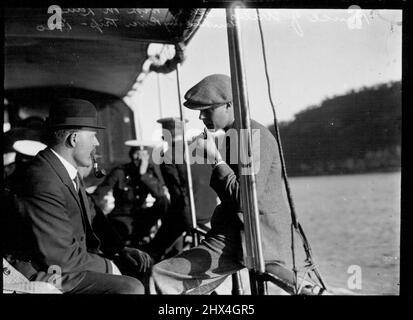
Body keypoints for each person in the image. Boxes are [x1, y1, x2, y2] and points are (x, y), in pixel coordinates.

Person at [151, 74, 326, 295]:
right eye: (200, 112)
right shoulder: (234, 136)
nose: (202, 117)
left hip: (252, 238)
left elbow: (245, 200)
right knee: (185, 286)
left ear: (229, 105)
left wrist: (216, 160)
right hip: (235, 234)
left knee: (161, 275)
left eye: (207, 110)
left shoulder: (250, 136)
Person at [8, 98, 151, 294]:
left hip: (64, 264)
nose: (97, 142)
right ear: (74, 139)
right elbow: (61, 258)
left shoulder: (64, 171)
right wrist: (110, 266)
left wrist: (120, 250)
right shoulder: (43, 180)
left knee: (141, 270)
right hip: (44, 272)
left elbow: (93, 215)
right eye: (93, 136)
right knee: (130, 288)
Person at [93, 141, 169, 247]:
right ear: (131, 155)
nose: (137, 159)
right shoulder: (120, 172)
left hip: (141, 217)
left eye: (141, 156)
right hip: (122, 217)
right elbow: (100, 192)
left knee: (164, 202)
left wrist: (143, 174)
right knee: (121, 231)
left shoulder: (149, 172)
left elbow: (161, 196)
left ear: (146, 157)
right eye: (136, 154)